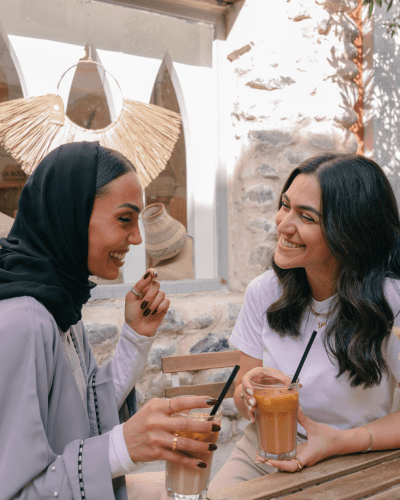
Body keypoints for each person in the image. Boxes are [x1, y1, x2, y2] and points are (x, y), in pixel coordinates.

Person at [0, 141, 220, 500]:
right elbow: (14, 491)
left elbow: (83, 407)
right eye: (124, 219)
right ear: (70, 213)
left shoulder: (59, 305)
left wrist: (136, 336)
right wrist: (123, 445)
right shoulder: (24, 320)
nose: (136, 238)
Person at [208, 153, 400, 493]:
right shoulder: (264, 292)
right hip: (264, 449)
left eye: (306, 217)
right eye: (285, 205)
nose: (282, 224)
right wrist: (249, 395)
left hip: (355, 454)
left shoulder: (391, 302)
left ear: (349, 230)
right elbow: (242, 395)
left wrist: (339, 441)